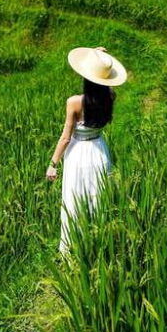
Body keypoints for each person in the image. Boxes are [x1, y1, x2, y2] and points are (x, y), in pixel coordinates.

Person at [46, 46, 128, 254]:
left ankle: (73, 245)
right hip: (99, 150)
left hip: (78, 154)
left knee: (75, 197)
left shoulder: (74, 102)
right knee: (97, 196)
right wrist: (97, 57)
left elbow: (65, 138)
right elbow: (101, 82)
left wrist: (53, 164)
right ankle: (98, 242)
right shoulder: (110, 97)